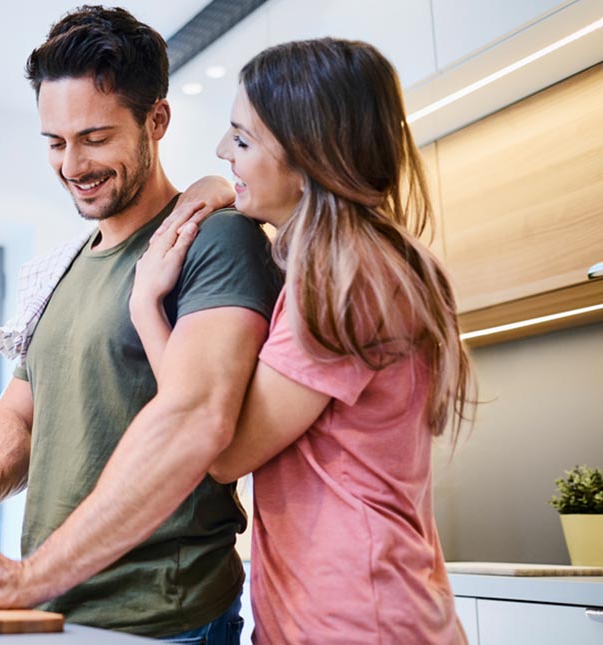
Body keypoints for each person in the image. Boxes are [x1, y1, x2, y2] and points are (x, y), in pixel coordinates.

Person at [0, 6, 282, 641]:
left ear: (156, 120)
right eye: (55, 143)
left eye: (95, 138)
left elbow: (199, 421)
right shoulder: (62, 268)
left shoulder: (214, 239)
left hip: (163, 619)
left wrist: (24, 580)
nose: (72, 165)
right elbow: (24, 408)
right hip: (57, 612)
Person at [131, 38, 477, 643]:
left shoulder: (343, 281)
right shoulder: (362, 265)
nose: (221, 150)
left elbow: (221, 450)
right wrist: (228, 187)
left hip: (354, 621)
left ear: (307, 157)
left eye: (241, 139)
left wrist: (146, 309)